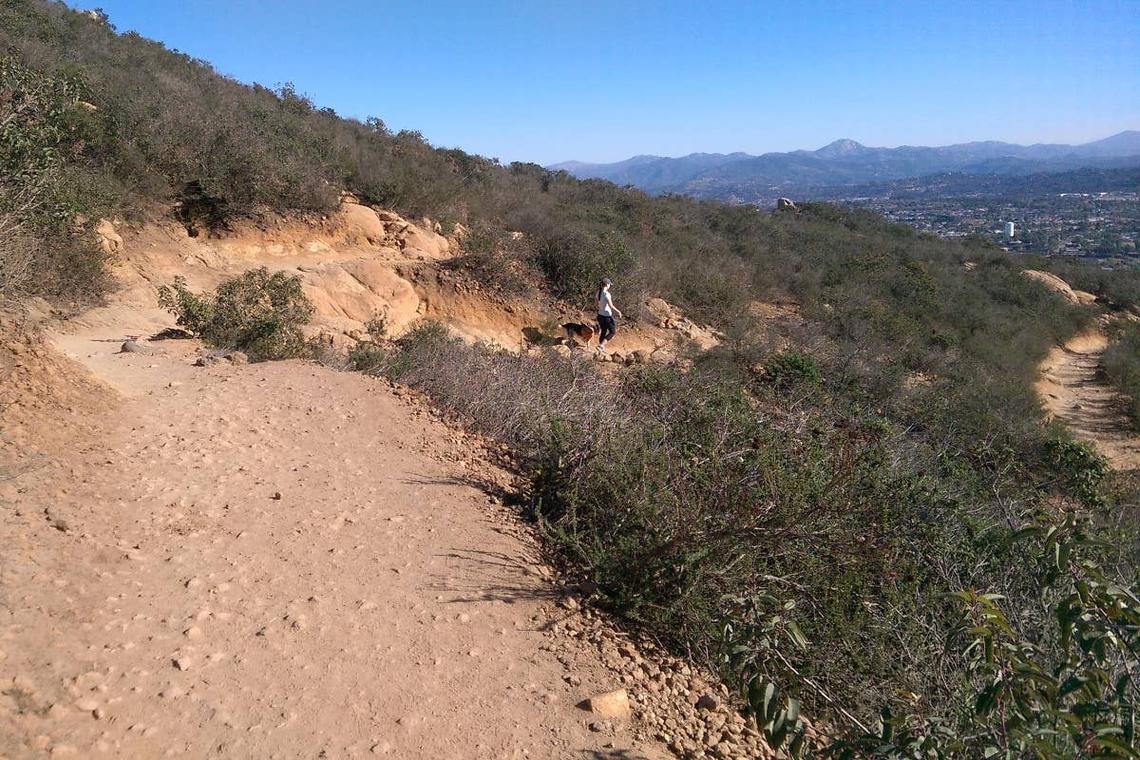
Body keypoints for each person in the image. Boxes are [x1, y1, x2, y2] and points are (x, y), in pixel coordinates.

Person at [595, 277, 622, 353]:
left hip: (600, 315)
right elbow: (611, 306)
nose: (610, 285)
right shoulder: (607, 294)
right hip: (607, 316)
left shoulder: (598, 292)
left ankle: (600, 349)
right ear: (607, 284)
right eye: (609, 284)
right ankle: (601, 345)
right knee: (612, 332)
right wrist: (618, 311)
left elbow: (596, 304)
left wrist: (601, 308)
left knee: (603, 330)